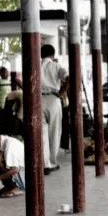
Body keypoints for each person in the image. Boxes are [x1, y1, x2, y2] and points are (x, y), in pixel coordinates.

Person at [40, 44, 68, 174]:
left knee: (42, 134)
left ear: (41, 54)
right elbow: (69, 77)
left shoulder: (35, 66)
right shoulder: (56, 66)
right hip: (53, 99)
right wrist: (62, 92)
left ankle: (45, 164)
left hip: (38, 101)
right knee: (54, 133)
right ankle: (51, 163)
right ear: (53, 54)